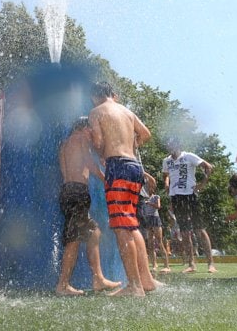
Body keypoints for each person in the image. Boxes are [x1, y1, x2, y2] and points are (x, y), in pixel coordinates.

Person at [88, 81, 160, 297]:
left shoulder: (96, 112)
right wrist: (129, 144)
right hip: (134, 168)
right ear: (113, 95)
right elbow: (145, 134)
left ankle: (135, 286)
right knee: (131, 224)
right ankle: (146, 280)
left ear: (94, 97)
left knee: (121, 227)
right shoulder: (127, 111)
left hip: (117, 168)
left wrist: (99, 148)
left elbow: (99, 142)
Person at [55, 116, 122, 296]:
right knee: (74, 239)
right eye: (91, 130)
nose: (93, 133)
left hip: (68, 191)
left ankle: (98, 278)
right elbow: (89, 163)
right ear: (84, 128)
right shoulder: (81, 138)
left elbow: (67, 170)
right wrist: (107, 181)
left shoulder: (65, 144)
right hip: (77, 193)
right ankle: (62, 285)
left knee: (94, 232)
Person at [162, 137, 217, 273]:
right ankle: (191, 264)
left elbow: (209, 167)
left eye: (172, 144)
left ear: (178, 144)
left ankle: (211, 263)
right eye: (168, 145)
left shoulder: (188, 156)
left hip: (190, 196)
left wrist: (202, 184)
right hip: (176, 197)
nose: (170, 147)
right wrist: (167, 183)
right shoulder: (167, 161)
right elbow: (165, 174)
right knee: (185, 233)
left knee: (200, 229)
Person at [141, 183, 171, 274]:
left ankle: (166, 265)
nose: (147, 189)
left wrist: (149, 203)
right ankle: (154, 265)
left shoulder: (156, 197)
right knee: (150, 244)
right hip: (148, 219)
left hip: (155, 219)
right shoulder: (144, 199)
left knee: (159, 241)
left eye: (149, 187)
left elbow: (158, 206)